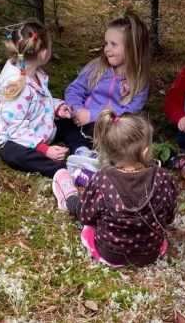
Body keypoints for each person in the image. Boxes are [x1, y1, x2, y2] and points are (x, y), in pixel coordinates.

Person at [52, 110, 177, 267]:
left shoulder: (102, 179)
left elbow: (86, 217)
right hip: (150, 253)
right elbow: (169, 216)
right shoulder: (163, 177)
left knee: (84, 212)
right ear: (145, 151)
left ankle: (69, 198)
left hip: (109, 252)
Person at [0, 21, 72, 178]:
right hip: (12, 136)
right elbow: (14, 128)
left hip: (37, 126)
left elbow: (39, 102)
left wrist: (57, 107)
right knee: (12, 153)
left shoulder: (34, 74)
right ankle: (60, 170)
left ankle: (82, 150)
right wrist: (44, 150)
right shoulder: (15, 85)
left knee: (72, 122)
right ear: (43, 53)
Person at [61, 11, 152, 164]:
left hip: (113, 126)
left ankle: (105, 155)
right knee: (65, 124)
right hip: (83, 122)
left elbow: (131, 111)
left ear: (132, 48)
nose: (106, 49)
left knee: (142, 134)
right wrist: (77, 110)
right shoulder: (97, 67)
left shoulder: (139, 79)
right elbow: (75, 89)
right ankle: (82, 152)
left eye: (113, 44)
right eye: (106, 43)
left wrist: (94, 115)